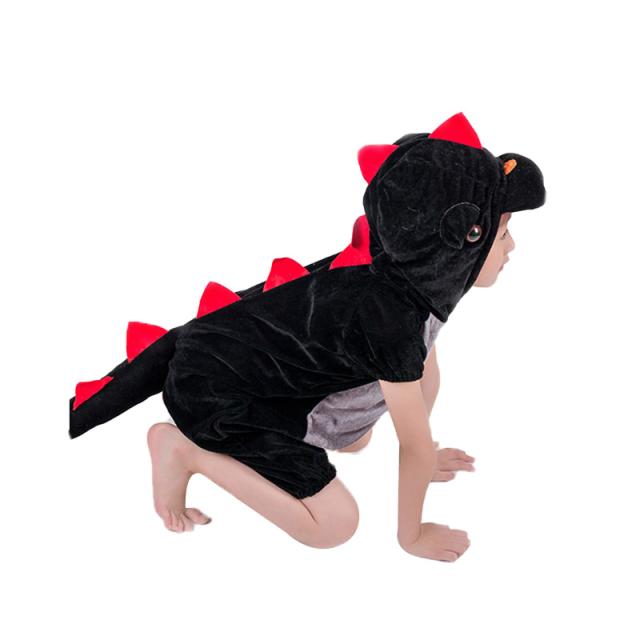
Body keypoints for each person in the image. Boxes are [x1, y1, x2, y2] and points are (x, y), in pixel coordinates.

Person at [69, 112, 545, 562]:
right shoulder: (393, 316)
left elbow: (423, 384)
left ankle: (222, 439)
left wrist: (427, 455)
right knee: (334, 524)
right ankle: (184, 450)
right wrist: (413, 534)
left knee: (356, 437)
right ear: (464, 235)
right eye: (503, 232)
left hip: (251, 370)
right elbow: (412, 443)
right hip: (214, 393)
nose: (512, 246)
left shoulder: (411, 284)